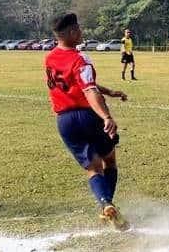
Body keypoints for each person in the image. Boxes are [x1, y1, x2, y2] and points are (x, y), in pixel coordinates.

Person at [45, 13, 130, 231]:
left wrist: (109, 91)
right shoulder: (80, 59)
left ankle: (106, 204)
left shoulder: (51, 58)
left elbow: (81, 83)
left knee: (93, 168)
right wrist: (106, 116)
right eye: (79, 29)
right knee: (109, 160)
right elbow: (89, 90)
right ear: (72, 33)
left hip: (64, 121)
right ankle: (107, 203)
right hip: (87, 116)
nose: (82, 32)